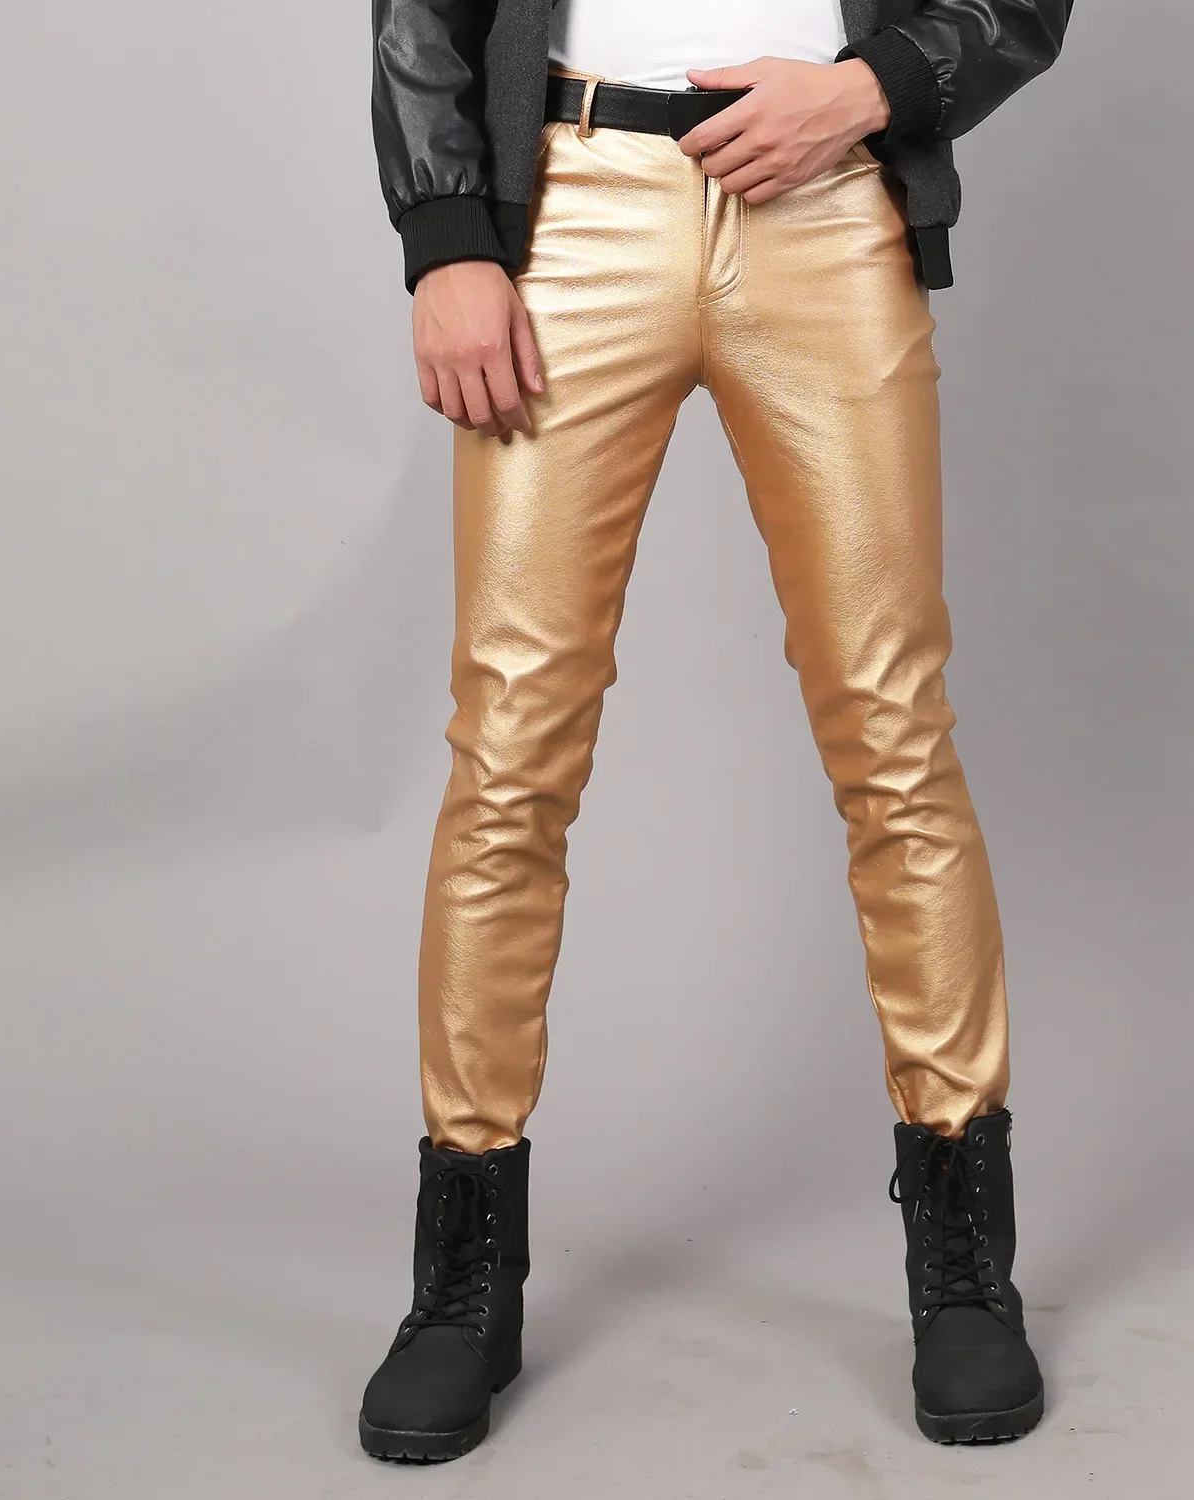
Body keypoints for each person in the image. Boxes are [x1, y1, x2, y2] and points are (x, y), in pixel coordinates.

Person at [358, 0, 1072, 1463]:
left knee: (894, 736)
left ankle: (963, 1263)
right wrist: (446, 233)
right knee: (510, 751)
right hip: (572, 203)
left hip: (827, 205)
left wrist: (874, 86)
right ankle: (463, 1277)